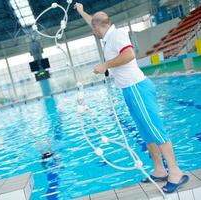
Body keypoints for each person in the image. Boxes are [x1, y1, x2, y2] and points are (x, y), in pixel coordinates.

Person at [74, 2, 188, 193]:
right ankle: (160, 170)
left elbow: (129, 54)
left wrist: (105, 65)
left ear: (99, 26)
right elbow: (92, 21)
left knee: (156, 131)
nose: (93, 33)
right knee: (146, 133)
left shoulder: (117, 35)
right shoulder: (107, 35)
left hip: (137, 88)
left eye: (94, 29)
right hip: (130, 90)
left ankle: (175, 172)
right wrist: (81, 11)